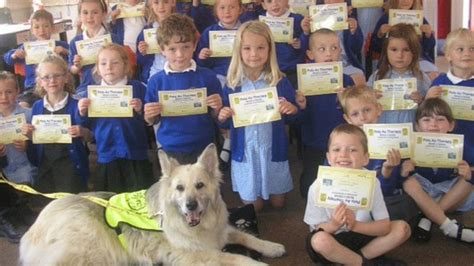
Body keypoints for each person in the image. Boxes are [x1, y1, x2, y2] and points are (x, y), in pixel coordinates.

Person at [218, 21, 299, 212]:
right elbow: (223, 120)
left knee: (279, 204)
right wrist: (223, 115)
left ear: (270, 49)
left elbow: (295, 118)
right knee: (255, 208)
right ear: (238, 50)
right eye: (247, 48)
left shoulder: (279, 81)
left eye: (261, 47)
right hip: (246, 152)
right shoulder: (232, 84)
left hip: (272, 150)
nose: (254, 54)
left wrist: (292, 109)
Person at [304, 124, 410, 265]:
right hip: (333, 239)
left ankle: (349, 261)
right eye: (336, 149)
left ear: (366, 158)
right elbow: (317, 229)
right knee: (319, 240)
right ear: (329, 158)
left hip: (362, 233)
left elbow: (384, 227)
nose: (343, 155)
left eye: (352, 150)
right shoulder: (317, 186)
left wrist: (354, 225)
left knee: (402, 228)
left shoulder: (372, 182)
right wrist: (334, 224)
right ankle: (365, 263)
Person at [144, 14, 222, 164]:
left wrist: (217, 107)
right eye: (172, 49)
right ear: (162, 49)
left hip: (203, 147)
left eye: (186, 47)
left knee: (206, 186)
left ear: (194, 45)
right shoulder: (156, 81)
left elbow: (216, 116)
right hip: (170, 148)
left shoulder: (208, 77)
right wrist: (149, 115)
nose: (180, 54)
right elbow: (151, 120)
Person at [78, 44, 154, 193]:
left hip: (135, 153)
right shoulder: (92, 94)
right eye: (103, 63)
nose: (109, 67)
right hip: (107, 154)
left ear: (126, 65)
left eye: (115, 62)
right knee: (112, 196)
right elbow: (86, 127)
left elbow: (149, 122)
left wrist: (140, 109)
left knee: (139, 195)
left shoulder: (138, 88)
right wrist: (82, 112)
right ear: (97, 68)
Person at [340, 87, 419, 224]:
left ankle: (367, 224)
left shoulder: (391, 139)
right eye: (355, 114)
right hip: (350, 198)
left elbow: (388, 190)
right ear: (347, 118)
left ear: (379, 110)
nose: (363, 118)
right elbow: (332, 180)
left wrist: (387, 171)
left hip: (380, 198)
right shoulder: (341, 142)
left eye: (367, 110)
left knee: (406, 204)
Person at [400, 98, 474, 243]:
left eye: (440, 119)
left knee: (470, 178)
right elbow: (395, 179)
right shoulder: (409, 145)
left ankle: (428, 217)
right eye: (426, 120)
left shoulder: (459, 145)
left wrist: (468, 172)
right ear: (417, 126)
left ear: (451, 125)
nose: (433, 124)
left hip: (448, 194)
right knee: (408, 182)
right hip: (422, 194)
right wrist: (402, 172)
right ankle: (449, 227)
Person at [296, 28, 354, 198]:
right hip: (314, 142)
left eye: (334, 48)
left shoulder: (346, 80)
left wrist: (345, 101)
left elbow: (354, 117)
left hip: (341, 143)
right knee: (309, 185)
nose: (329, 53)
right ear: (310, 54)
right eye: (322, 49)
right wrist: (302, 105)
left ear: (340, 52)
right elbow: (298, 119)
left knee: (341, 183)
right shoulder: (305, 80)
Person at [22, 55, 90, 194]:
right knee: (47, 205)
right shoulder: (37, 106)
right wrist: (29, 135)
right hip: (46, 166)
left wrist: (81, 131)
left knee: (70, 204)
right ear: (40, 81)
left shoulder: (77, 105)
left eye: (57, 75)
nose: (52, 81)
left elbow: (90, 136)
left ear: (66, 77)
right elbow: (35, 141)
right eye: (46, 77)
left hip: (70, 166)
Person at [427, 28, 474, 174]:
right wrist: (428, 99)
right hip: (446, 143)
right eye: (460, 49)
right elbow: (426, 114)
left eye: (472, 49)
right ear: (448, 55)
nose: (467, 53)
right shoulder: (439, 82)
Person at [367, 23, 430, 125]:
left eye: (406, 50)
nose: (400, 55)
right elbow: (363, 101)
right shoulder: (377, 76)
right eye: (394, 50)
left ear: (414, 52)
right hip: (383, 131)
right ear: (386, 51)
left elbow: (430, 108)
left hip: (410, 130)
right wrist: (370, 97)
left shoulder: (421, 78)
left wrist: (421, 101)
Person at [370, 0, 438, 79]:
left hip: (418, 60)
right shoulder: (386, 18)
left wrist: (428, 35)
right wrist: (380, 34)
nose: (405, 1)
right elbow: (375, 47)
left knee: (433, 76)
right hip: (391, 61)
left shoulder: (420, 19)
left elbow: (428, 48)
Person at [3, 9, 69, 91]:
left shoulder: (61, 45)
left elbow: (73, 58)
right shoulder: (28, 48)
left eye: (46, 26)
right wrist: (14, 55)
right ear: (32, 30)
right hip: (33, 86)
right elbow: (7, 59)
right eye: (37, 27)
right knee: (24, 103)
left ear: (52, 28)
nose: (41, 30)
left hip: (57, 85)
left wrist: (65, 51)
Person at [305, 0, 365, 86]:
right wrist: (305, 32)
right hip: (320, 65)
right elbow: (306, 49)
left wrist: (353, 32)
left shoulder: (350, 21)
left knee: (359, 78)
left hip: (344, 64)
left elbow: (356, 48)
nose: (333, 1)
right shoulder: (314, 20)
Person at [69, 0, 123, 97]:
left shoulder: (113, 39)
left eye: (95, 12)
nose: (90, 16)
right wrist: (77, 66)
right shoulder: (75, 42)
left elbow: (123, 64)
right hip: (87, 87)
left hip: (112, 86)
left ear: (104, 14)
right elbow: (72, 69)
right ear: (80, 15)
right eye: (85, 12)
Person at [260, 0, 308, 88]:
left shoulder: (298, 19)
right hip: (270, 72)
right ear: (263, 5)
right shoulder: (260, 23)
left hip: (294, 71)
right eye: (269, 1)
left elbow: (308, 46)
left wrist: (301, 41)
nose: (275, 4)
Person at [196, 0, 243, 87]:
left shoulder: (246, 31)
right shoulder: (209, 32)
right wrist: (202, 56)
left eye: (232, 7)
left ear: (240, 10)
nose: (227, 11)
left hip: (242, 75)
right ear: (216, 11)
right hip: (218, 76)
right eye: (222, 8)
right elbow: (201, 65)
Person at [136, 0, 176, 83]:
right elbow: (140, 61)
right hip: (154, 72)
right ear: (151, 5)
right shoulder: (147, 30)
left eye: (165, 2)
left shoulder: (181, 26)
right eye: (156, 2)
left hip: (177, 71)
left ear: (173, 2)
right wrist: (143, 52)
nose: (161, 6)